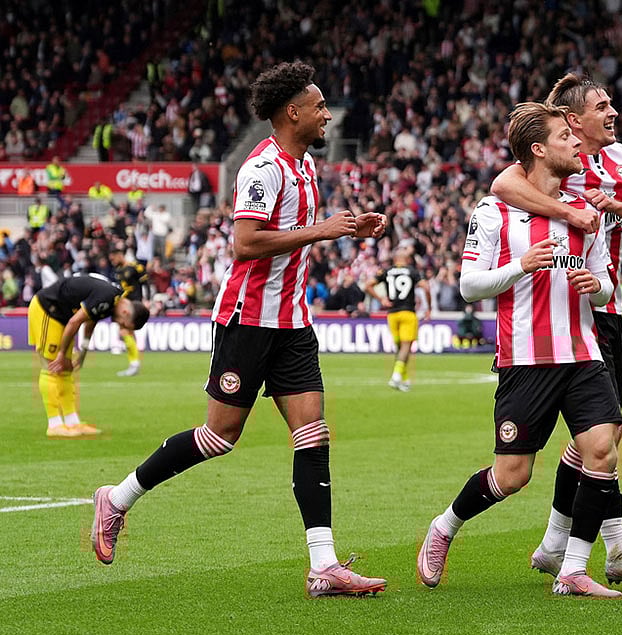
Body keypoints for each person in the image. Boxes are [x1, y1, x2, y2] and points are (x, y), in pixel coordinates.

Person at [90, 61, 388, 597]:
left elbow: (292, 236)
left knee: (312, 431)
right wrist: (319, 231)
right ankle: (117, 498)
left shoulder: (305, 168)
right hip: (248, 319)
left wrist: (348, 229)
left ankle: (323, 565)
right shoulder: (262, 168)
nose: (327, 115)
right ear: (291, 112)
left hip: (292, 322)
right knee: (218, 437)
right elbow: (245, 244)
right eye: (319, 107)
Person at [417, 102, 622, 599]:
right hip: (525, 361)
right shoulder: (494, 212)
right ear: (539, 150)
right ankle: (445, 526)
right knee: (512, 476)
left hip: (581, 354)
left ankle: (573, 570)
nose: (577, 142)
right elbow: (469, 286)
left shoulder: (586, 214)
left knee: (602, 449)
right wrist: (520, 266)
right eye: (564, 137)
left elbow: (607, 286)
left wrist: (593, 284)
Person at [491, 73, 622, 584]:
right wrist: (571, 211)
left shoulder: (621, 161)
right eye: (603, 105)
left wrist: (615, 207)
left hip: (602, 306)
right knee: (598, 438)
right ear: (573, 120)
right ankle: (609, 549)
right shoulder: (556, 161)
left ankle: (556, 544)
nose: (614, 112)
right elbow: (502, 184)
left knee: (604, 434)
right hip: (553, 313)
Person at [28, 274, 149, 437]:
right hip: (48, 310)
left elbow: (91, 321)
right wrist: (62, 353)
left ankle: (72, 422)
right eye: (123, 323)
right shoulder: (107, 298)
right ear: (126, 312)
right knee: (52, 367)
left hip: (62, 316)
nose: (118, 324)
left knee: (66, 371)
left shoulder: (114, 299)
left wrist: (82, 353)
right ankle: (54, 424)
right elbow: (75, 322)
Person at [365, 249, 430, 391]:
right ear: (406, 259)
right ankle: (396, 376)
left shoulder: (386, 271)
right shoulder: (412, 271)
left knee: (400, 348)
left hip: (392, 314)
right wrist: (428, 307)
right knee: (406, 346)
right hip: (408, 312)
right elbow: (426, 287)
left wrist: (381, 299)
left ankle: (404, 379)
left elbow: (368, 285)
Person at [109, 245, 149, 377]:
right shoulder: (118, 271)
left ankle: (134, 364)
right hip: (124, 307)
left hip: (134, 305)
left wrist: (147, 299)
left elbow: (145, 283)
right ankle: (134, 363)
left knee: (125, 332)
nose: (113, 261)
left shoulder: (134, 267)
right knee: (127, 333)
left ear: (120, 254)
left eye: (114, 258)